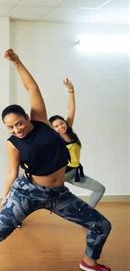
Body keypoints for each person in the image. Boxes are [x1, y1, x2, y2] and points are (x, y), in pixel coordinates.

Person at [0, 49, 120, 271]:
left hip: (59, 194)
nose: (17, 129)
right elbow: (11, 171)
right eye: (11, 127)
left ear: (27, 116)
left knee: (101, 225)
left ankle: (90, 262)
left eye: (19, 123)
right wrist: (5, 197)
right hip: (28, 192)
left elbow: (32, 89)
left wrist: (17, 62)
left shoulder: (42, 122)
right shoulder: (13, 144)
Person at [49, 78, 105, 208]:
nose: (60, 127)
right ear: (52, 130)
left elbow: (71, 108)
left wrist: (71, 90)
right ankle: (18, 215)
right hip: (63, 174)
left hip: (75, 173)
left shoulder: (69, 131)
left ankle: (87, 214)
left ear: (65, 122)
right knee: (40, 196)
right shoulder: (55, 139)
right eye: (56, 126)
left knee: (99, 189)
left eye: (61, 123)